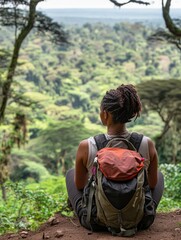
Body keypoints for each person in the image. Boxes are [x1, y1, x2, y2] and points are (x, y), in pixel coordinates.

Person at [66, 84, 164, 231]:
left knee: (71, 174)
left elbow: (80, 186)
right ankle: (145, 214)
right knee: (159, 176)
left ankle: (89, 211)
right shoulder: (146, 144)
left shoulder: (87, 146)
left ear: (105, 114)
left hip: (96, 221)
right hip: (139, 220)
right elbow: (152, 184)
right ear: (130, 113)